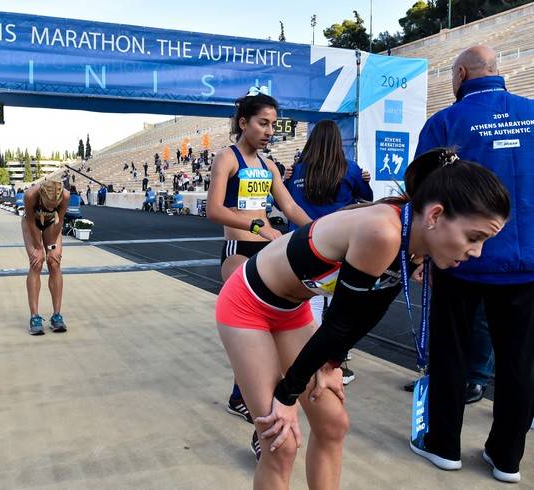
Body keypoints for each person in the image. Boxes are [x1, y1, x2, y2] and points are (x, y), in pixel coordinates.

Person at [216, 148, 509, 488]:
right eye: (474, 238)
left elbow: (371, 311)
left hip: (290, 310)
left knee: (332, 424)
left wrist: (331, 363)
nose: (476, 252)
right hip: (246, 304)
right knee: (280, 442)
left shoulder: (414, 240)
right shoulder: (383, 231)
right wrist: (285, 397)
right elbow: (340, 322)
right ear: (436, 216)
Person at [408, 46, 534, 484]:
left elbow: (422, 195)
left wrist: (421, 254)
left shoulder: (446, 122)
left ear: (461, 74)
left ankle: (444, 446)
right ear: (498, 73)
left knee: (451, 353)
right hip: (527, 263)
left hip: (459, 259)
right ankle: (507, 458)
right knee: (519, 361)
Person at [206, 88, 312, 430]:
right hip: (239, 251)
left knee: (274, 331)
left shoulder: (269, 165)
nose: (269, 131)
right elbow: (214, 210)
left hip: (267, 252)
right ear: (243, 122)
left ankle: (243, 396)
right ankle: (249, 405)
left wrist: (322, 231)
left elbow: (290, 207)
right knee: (255, 328)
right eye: (262, 123)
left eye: (273, 125)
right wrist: (256, 225)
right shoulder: (227, 158)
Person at [283, 120, 373, 385]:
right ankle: (333, 361)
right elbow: (367, 198)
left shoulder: (296, 170)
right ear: (337, 142)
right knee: (339, 306)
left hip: (299, 244)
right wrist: (363, 180)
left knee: (304, 301)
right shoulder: (350, 169)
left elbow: (283, 201)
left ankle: (300, 355)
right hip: (339, 245)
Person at [22, 180, 70, 335]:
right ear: (41, 195)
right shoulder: (30, 195)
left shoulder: (65, 195)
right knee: (36, 262)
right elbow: (30, 221)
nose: (51, 208)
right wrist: (38, 248)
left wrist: (51, 248)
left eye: (53, 205)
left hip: (52, 224)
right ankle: (34, 316)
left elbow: (59, 221)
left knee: (54, 262)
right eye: (47, 204)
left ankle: (57, 315)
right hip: (32, 224)